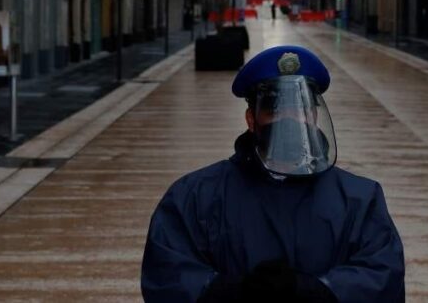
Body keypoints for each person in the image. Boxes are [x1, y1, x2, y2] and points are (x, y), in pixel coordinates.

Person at [141, 45, 406, 303]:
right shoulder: (195, 197)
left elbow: (383, 273)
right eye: (274, 108)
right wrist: (227, 291)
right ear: (250, 119)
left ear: (314, 115)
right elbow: (167, 274)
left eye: (300, 108)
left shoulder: (360, 201)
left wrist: (321, 291)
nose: (289, 118)